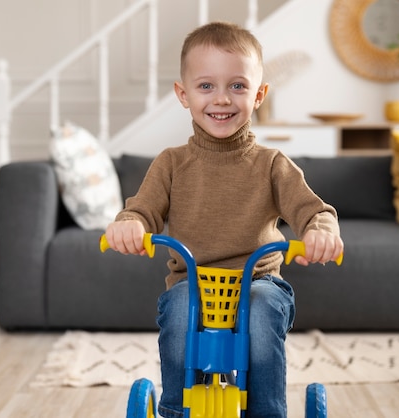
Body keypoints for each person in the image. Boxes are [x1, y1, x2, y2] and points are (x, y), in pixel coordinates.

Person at [104, 21, 343, 418]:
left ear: (259, 94)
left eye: (237, 86)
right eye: (206, 86)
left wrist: (321, 231)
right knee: (180, 310)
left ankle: (266, 411)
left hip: (259, 281)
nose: (222, 99)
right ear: (183, 94)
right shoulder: (171, 164)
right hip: (192, 285)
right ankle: (179, 411)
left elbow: (315, 211)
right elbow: (140, 211)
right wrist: (129, 225)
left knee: (265, 308)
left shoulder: (271, 165)